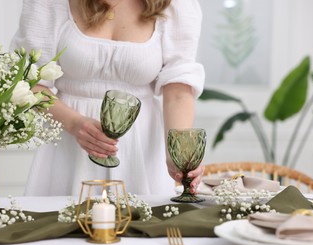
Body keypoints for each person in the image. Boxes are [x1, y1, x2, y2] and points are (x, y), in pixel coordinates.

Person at [11, 0, 205, 196]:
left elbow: (178, 92)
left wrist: (178, 154)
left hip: (141, 150)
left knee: (146, 223)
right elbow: (29, 82)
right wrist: (74, 123)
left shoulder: (177, 4)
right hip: (67, 145)